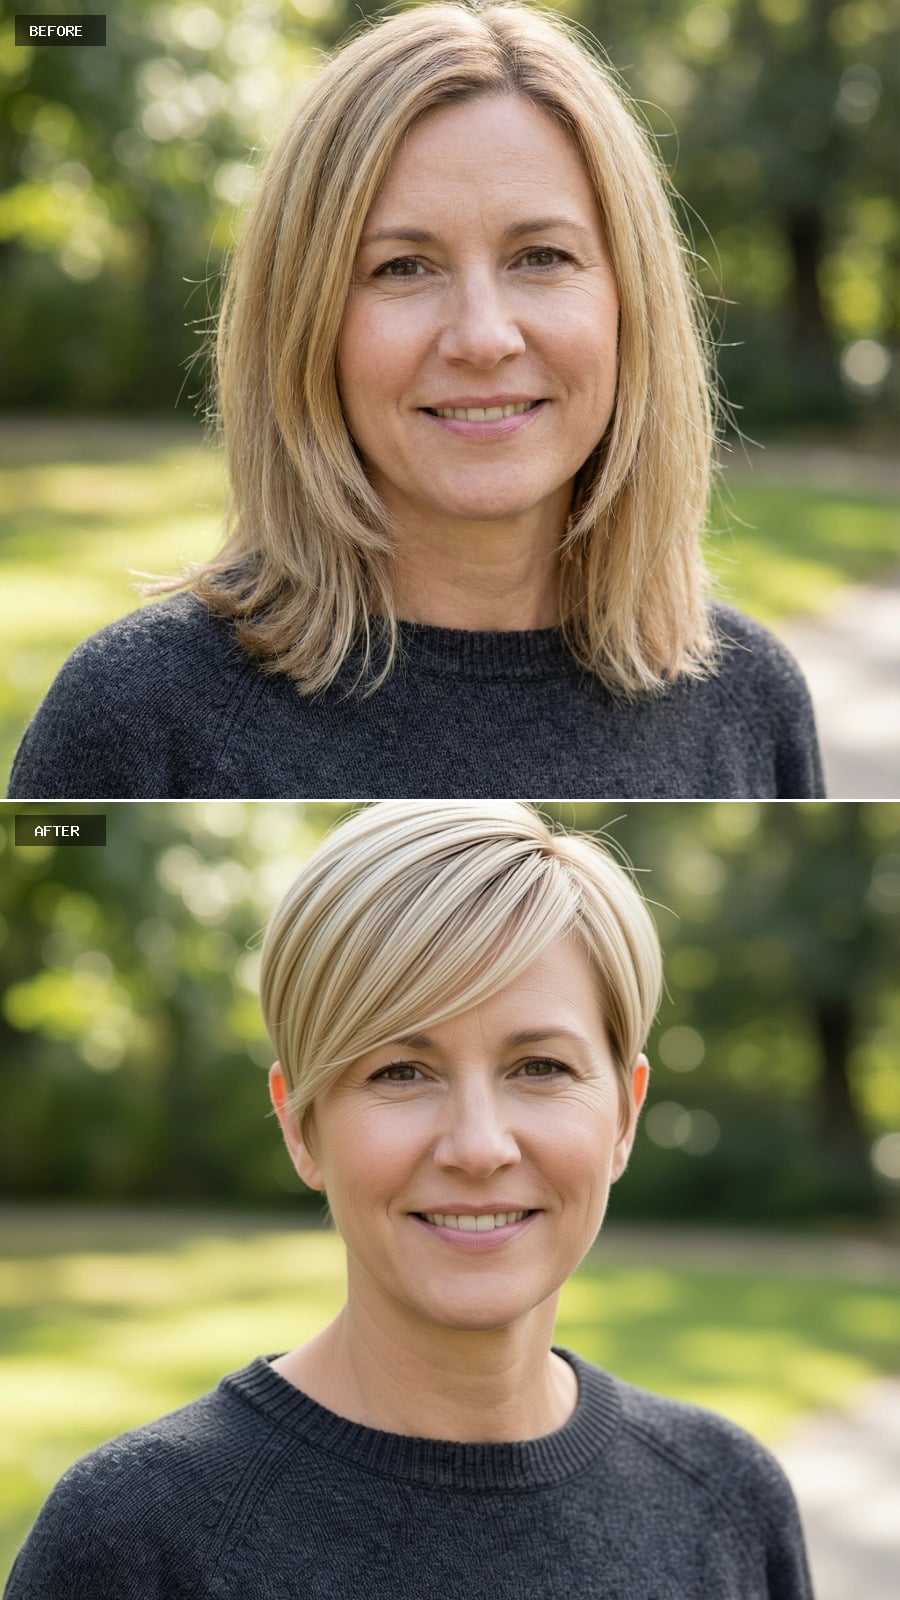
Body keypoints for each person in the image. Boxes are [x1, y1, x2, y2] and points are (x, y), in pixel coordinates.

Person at [8, 2, 822, 800]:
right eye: (402, 267)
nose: (482, 336)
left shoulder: (752, 703)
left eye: (540, 256)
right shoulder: (138, 718)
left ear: (629, 302)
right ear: (304, 322)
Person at [5, 801, 814, 1598]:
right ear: (300, 1125)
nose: (477, 1146)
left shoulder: (727, 1500)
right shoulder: (133, 1539)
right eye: (400, 1071)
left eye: (540, 1067)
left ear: (625, 1116)